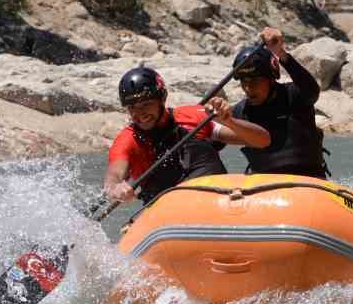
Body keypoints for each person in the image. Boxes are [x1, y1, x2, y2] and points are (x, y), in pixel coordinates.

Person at [103, 66, 270, 207]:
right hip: (167, 211)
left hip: (218, 200)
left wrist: (230, 121)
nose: (140, 114)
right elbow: (114, 175)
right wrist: (116, 188)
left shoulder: (192, 117)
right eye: (132, 107)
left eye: (146, 104)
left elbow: (263, 141)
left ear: (162, 98)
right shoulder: (127, 140)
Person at [228, 27, 329, 179]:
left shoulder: (295, 95)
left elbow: (312, 89)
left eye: (255, 80)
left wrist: (280, 53)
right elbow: (211, 143)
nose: (248, 88)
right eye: (244, 81)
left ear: (270, 79)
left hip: (308, 181)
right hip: (264, 186)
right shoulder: (239, 112)